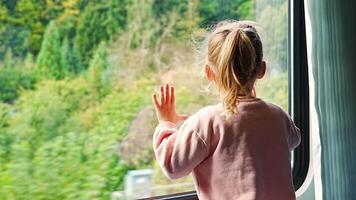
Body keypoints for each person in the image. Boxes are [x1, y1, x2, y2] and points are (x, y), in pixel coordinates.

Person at [151, 20, 301, 200]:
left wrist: (166, 123)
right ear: (261, 69)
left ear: (208, 73)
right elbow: (293, 139)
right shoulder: (278, 116)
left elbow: (172, 165)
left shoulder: (206, 123)